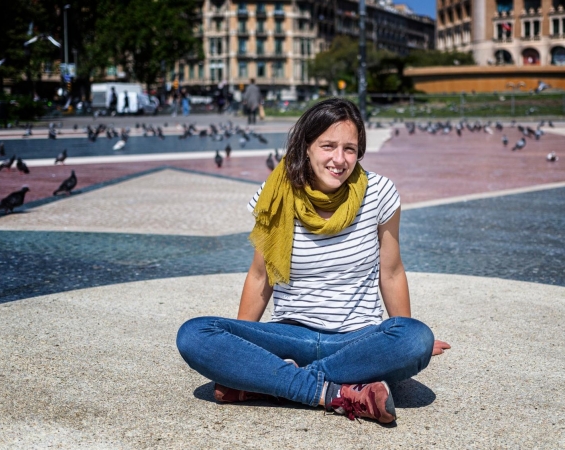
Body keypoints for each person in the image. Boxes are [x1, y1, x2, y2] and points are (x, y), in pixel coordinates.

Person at [177, 98, 450, 424]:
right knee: (194, 334)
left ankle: (271, 384)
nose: (340, 159)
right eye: (328, 146)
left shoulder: (379, 192)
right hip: (289, 337)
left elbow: (391, 273)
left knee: (416, 338)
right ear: (306, 146)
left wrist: (398, 331)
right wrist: (244, 345)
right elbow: (259, 276)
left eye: (350, 148)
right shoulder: (276, 192)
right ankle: (337, 391)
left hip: (356, 341)